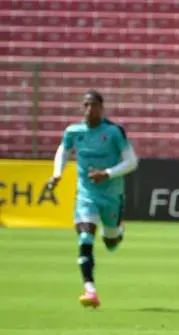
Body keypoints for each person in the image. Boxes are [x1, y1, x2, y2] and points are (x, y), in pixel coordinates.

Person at [48, 90, 139, 308]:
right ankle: (90, 290)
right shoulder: (73, 131)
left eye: (94, 105)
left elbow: (132, 162)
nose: (90, 109)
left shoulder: (114, 132)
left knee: (111, 243)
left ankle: (118, 231)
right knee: (85, 238)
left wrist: (106, 173)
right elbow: (63, 149)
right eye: (86, 105)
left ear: (102, 107)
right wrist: (57, 173)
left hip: (111, 195)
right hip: (86, 195)